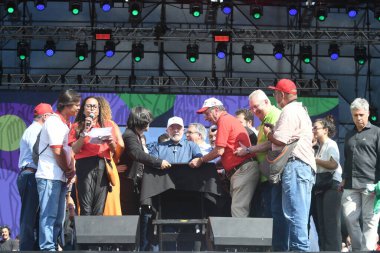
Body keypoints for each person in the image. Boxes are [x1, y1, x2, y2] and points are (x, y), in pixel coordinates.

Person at [264, 79, 316, 251]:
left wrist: (269, 134)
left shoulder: (288, 110)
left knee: (294, 214)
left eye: (275, 93)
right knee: (296, 213)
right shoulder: (299, 110)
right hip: (302, 167)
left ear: (282, 94)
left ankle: (299, 250)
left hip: (296, 166)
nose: (275, 96)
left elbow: (279, 141)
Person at [234, 89, 285, 250]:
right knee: (269, 216)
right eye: (252, 109)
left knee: (276, 216)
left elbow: (274, 142)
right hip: (266, 177)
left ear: (267, 102)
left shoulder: (275, 116)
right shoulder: (264, 122)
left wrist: (248, 150)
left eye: (257, 107)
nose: (255, 111)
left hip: (275, 177)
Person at [190, 98, 259, 217]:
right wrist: (216, 164)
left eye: (206, 114)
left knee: (238, 211)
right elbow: (228, 152)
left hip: (243, 169)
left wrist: (201, 160)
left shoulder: (224, 120)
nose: (205, 118)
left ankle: (239, 236)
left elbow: (219, 150)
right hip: (241, 170)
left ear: (216, 110)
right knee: (238, 210)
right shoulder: (227, 120)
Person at [118, 107, 171, 251]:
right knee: (130, 216)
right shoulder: (129, 135)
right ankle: (128, 248)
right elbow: (136, 154)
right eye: (147, 122)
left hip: (140, 182)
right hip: (128, 181)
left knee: (141, 216)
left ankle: (139, 247)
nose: (149, 125)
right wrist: (158, 162)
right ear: (140, 121)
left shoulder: (141, 137)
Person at [35, 89, 80, 251]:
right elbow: (57, 151)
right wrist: (68, 170)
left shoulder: (65, 124)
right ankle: (47, 247)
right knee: (49, 215)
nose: (78, 108)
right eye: (76, 105)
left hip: (60, 177)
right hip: (49, 175)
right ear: (66, 105)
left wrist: (69, 171)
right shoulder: (54, 122)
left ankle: (53, 244)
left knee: (59, 217)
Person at [151, 116, 203, 251]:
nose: (175, 130)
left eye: (178, 128)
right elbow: (151, 162)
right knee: (167, 228)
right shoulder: (158, 147)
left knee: (187, 229)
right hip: (166, 197)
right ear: (167, 130)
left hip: (189, 196)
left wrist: (197, 160)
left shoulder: (192, 146)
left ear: (183, 130)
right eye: (172, 128)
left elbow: (199, 158)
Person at [69, 96, 118, 216]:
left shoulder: (106, 125)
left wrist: (111, 141)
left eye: (95, 106)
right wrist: (85, 132)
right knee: (86, 207)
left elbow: (114, 149)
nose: (92, 109)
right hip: (85, 165)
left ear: (99, 109)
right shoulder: (77, 126)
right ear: (83, 109)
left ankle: (97, 234)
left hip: (103, 165)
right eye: (89, 106)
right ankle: (85, 234)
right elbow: (74, 149)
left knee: (99, 208)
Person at [342, 98, 380, 251]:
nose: (358, 118)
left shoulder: (377, 132)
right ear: (351, 115)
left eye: (361, 114)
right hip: (350, 184)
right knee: (349, 218)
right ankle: (359, 249)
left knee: (370, 220)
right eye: (355, 115)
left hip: (371, 183)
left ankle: (367, 250)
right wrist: (344, 179)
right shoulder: (349, 135)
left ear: (368, 113)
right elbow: (346, 159)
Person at [17, 103, 53, 251]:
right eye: (51, 115)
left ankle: (36, 248)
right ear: (45, 116)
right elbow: (37, 154)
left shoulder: (36, 130)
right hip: (31, 175)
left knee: (37, 216)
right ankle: (26, 249)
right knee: (29, 215)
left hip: (34, 175)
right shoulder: (35, 131)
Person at [312, 115, 342, 251]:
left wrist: (316, 160)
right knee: (321, 223)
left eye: (315, 128)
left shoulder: (331, 144)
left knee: (330, 223)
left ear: (325, 130)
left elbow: (333, 164)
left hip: (331, 186)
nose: (313, 130)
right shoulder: (317, 147)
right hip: (320, 187)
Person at [96, 96, 124, 216]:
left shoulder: (86, 125)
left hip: (89, 166)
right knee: (111, 204)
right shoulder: (110, 124)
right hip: (108, 166)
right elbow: (121, 145)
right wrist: (115, 160)